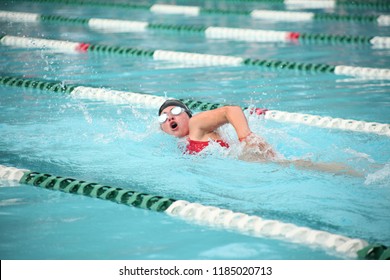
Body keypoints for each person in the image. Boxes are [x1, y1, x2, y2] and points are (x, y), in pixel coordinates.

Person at [158, 99, 363, 177]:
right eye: (163, 117)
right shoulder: (183, 142)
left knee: (302, 167)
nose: (169, 117)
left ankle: (359, 173)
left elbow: (231, 110)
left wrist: (245, 136)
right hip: (243, 166)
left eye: (175, 111)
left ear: (188, 114)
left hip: (248, 158)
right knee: (297, 166)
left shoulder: (196, 124)